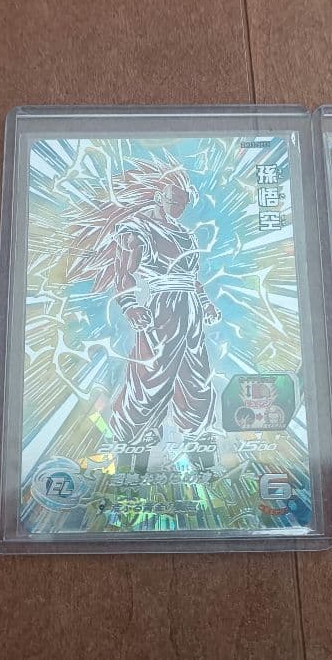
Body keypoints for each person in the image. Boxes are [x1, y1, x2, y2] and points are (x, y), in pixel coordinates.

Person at [68, 160, 220, 472]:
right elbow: (123, 274)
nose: (179, 208)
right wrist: (130, 306)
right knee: (150, 380)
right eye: (174, 201)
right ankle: (131, 455)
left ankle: (201, 454)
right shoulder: (136, 230)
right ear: (159, 196)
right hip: (161, 309)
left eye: (183, 203)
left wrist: (205, 303)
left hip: (190, 311)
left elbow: (192, 277)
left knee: (197, 380)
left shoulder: (184, 233)